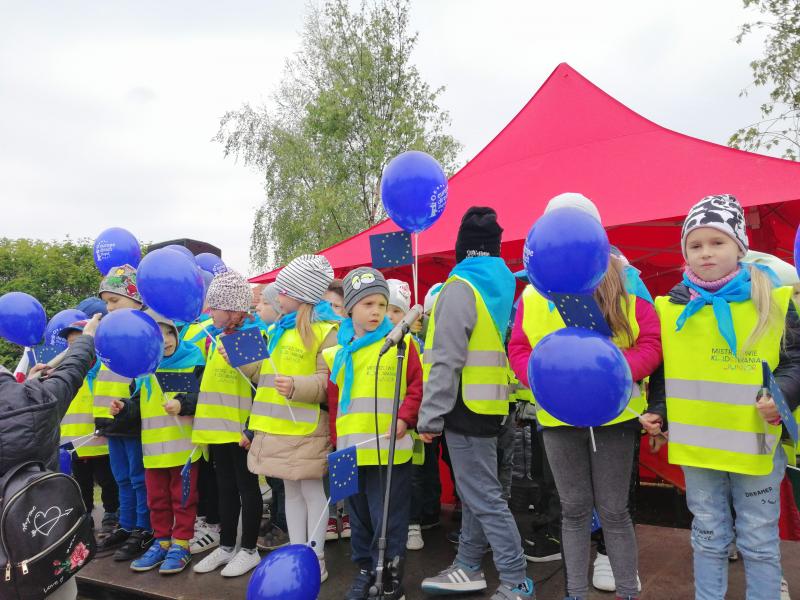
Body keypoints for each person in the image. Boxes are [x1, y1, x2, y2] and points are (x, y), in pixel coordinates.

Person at [646, 194, 800, 600]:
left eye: (717, 242)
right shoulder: (672, 309)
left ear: (739, 247)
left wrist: (780, 395)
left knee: (759, 542)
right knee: (708, 536)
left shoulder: (773, 301)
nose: (706, 253)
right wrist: (658, 412)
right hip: (699, 451)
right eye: (695, 245)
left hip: (755, 450)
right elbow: (666, 373)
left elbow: (795, 362)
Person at [511, 195, 662, 600]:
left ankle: (629, 592)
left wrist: (611, 373)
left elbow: (651, 342)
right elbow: (519, 349)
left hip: (614, 416)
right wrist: (545, 380)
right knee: (573, 509)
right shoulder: (533, 291)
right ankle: (574, 593)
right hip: (558, 418)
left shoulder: (628, 281)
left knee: (614, 511)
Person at [417, 206, 534, 600]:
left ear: (461, 249)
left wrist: (430, 417)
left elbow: (446, 359)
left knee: (484, 498)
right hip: (493, 405)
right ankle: (468, 564)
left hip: (463, 408)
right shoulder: (501, 286)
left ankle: (516, 580)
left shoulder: (458, 288)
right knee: (482, 495)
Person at [324, 268, 423, 600]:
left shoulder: (402, 343)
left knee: (389, 520)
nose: (377, 311)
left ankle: (390, 577)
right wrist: (336, 443)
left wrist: (405, 418)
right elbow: (336, 399)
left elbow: (416, 387)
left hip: (388, 449)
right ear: (350, 308)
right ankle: (366, 570)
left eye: (381, 304)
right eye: (367, 304)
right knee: (361, 518)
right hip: (352, 451)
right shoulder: (342, 352)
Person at [243, 254, 340, 583]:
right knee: (293, 493)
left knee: (313, 492)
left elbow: (329, 382)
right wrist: (239, 360)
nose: (276, 295)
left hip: (308, 429)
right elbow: (261, 373)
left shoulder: (327, 331)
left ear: (300, 293)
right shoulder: (277, 330)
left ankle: (316, 556)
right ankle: (299, 554)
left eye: (282, 289)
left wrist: (299, 386)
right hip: (279, 428)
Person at [0, 313, 101, 600]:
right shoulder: (38, 400)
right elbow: (72, 369)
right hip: (46, 545)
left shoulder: (33, 394)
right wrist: (88, 338)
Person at [111, 310, 205, 575]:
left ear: (176, 332)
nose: (165, 340)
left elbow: (201, 397)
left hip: (184, 449)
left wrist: (182, 404)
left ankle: (181, 544)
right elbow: (140, 403)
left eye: (169, 332)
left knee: (183, 499)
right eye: (157, 334)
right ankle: (162, 541)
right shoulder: (144, 368)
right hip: (152, 451)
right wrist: (124, 407)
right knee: (157, 500)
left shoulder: (194, 359)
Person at [192, 270, 264, 578]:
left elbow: (261, 385)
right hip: (218, 428)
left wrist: (250, 427)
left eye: (215, 307)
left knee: (247, 489)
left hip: (240, 431)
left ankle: (249, 549)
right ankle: (226, 545)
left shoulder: (250, 336)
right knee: (225, 488)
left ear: (234, 309)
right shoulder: (216, 338)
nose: (209, 312)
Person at [93, 265, 153, 561]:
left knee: (138, 476)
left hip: (135, 420)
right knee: (121, 477)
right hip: (112, 421)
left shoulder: (144, 331)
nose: (109, 307)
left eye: (114, 300)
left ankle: (144, 528)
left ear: (136, 300)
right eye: (106, 301)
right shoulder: (108, 332)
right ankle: (126, 525)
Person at [387, 278, 439, 552]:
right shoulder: (378, 344)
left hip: (412, 423)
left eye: (396, 310)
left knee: (415, 475)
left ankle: (413, 524)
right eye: (386, 308)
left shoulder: (414, 345)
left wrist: (416, 418)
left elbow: (421, 384)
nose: (389, 316)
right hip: (385, 424)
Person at [57, 321, 119, 537]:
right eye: (70, 344)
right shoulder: (67, 373)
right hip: (74, 444)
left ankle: (112, 513)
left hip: (100, 442)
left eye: (80, 342)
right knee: (81, 484)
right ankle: (85, 516)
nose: (75, 347)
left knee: (107, 480)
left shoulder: (104, 370)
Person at [321, 278, 352, 542]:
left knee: (347, 461)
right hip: (323, 411)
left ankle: (348, 513)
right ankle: (332, 513)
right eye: (326, 304)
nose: (331, 311)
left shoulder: (353, 339)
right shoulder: (319, 337)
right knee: (328, 465)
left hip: (350, 412)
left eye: (337, 306)